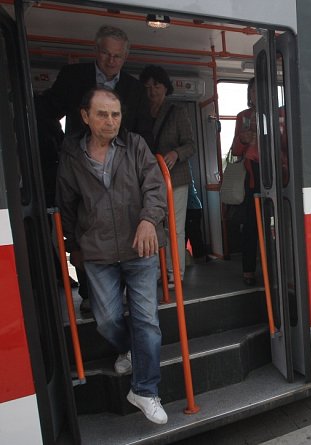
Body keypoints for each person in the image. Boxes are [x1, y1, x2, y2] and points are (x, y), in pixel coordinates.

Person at [56, 87, 168, 424]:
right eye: (102, 114)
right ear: (85, 117)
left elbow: (154, 187)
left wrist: (149, 219)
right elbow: (67, 205)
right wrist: (73, 246)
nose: (110, 121)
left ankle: (145, 390)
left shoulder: (135, 146)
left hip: (140, 247)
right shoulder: (72, 157)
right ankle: (129, 347)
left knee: (147, 319)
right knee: (106, 320)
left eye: (115, 114)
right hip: (97, 250)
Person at [37, 24, 153, 314]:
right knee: (86, 227)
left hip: (124, 170)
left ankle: (123, 297)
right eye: (106, 53)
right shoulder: (72, 77)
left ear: (125, 58)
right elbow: (46, 110)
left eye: (117, 56)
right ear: (95, 51)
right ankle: (91, 293)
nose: (111, 61)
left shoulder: (135, 89)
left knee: (124, 229)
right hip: (81, 166)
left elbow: (143, 133)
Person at [139, 65, 196, 288]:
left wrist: (175, 153)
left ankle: (175, 273)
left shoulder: (177, 112)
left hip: (176, 178)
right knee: (151, 224)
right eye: (148, 86)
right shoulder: (139, 112)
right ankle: (156, 271)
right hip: (147, 180)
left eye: (157, 85)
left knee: (175, 227)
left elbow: (191, 145)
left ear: (166, 88)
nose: (152, 91)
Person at [230, 78, 259, 286]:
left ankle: (276, 266)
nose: (256, 95)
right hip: (252, 177)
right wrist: (243, 139)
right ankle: (249, 270)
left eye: (260, 90)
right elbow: (235, 151)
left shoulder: (279, 114)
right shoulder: (243, 117)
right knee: (250, 226)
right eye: (253, 91)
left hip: (279, 174)